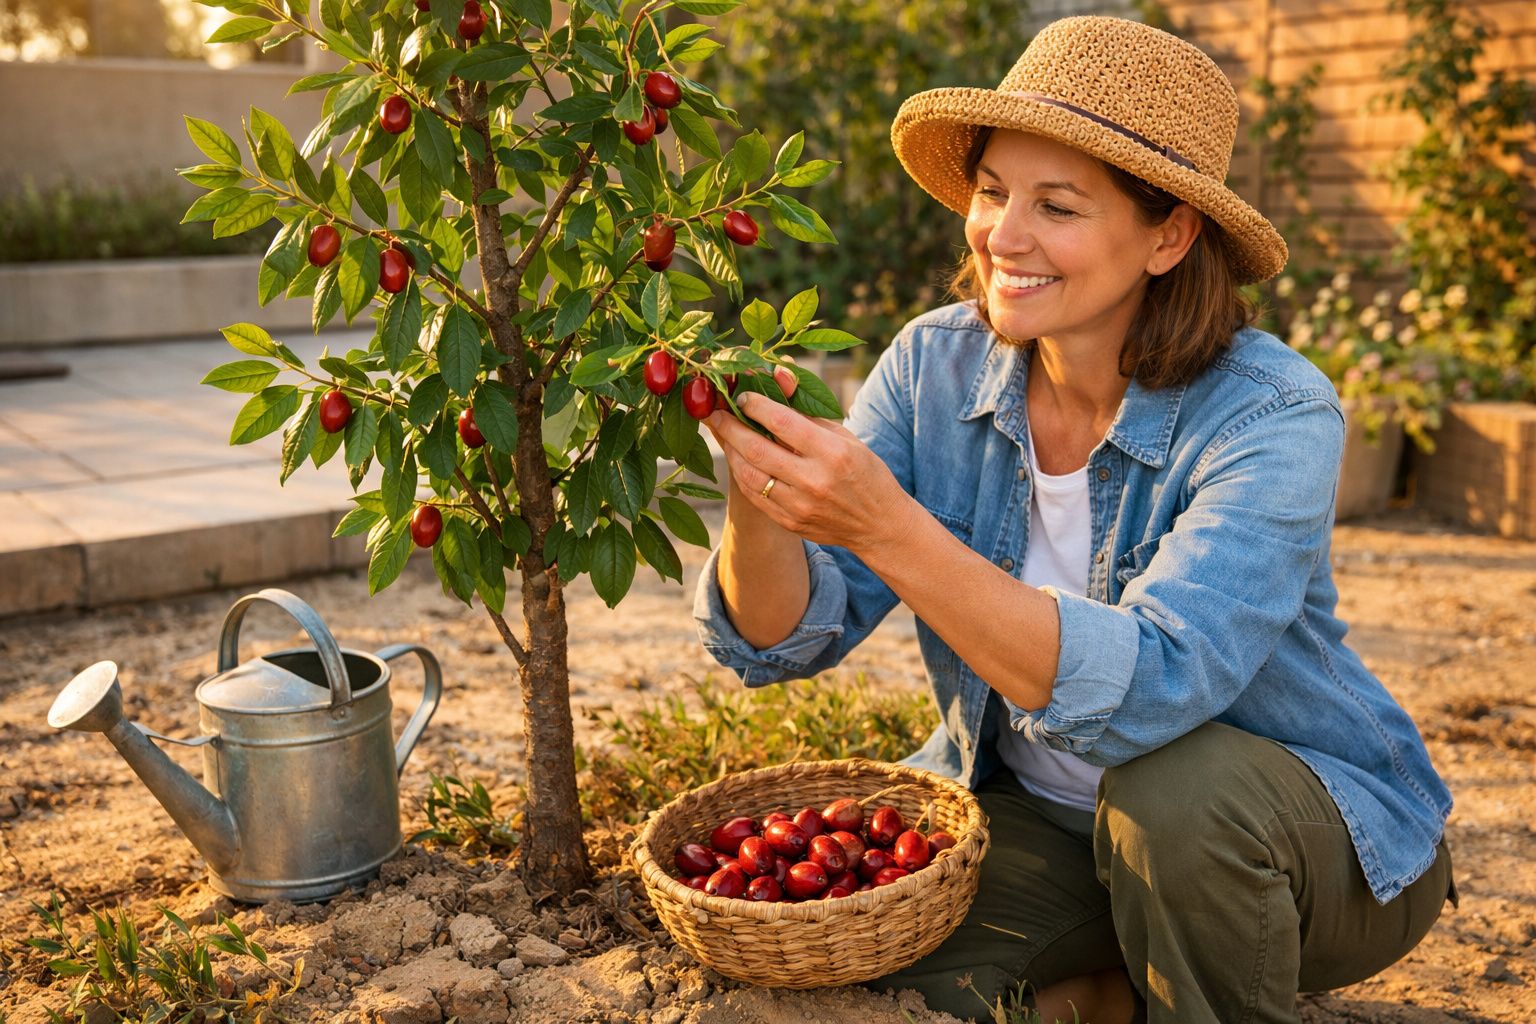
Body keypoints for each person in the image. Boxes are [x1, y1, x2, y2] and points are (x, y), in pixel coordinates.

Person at [692, 15, 1455, 1024]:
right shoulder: (935, 366)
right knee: (861, 951)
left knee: (1174, 794)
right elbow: (786, 639)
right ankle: (1118, 985)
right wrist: (762, 497)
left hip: (1302, 846)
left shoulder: (1271, 411)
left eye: (1057, 205)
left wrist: (887, 526)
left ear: (1169, 235)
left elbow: (1157, 688)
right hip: (1049, 825)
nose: (1004, 235)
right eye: (995, 192)